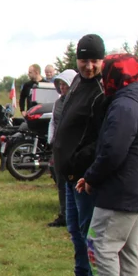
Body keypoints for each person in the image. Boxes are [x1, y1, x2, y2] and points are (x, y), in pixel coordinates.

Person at [76, 55, 138, 276]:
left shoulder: (122, 107)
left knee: (100, 244)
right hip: (137, 190)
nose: (102, 78)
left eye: (106, 74)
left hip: (121, 191)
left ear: (115, 77)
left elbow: (112, 152)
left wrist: (91, 177)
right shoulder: (135, 103)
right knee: (127, 249)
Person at [52, 34, 106, 276]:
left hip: (85, 176)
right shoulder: (76, 83)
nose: (90, 66)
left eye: (95, 60)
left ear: (102, 60)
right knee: (74, 229)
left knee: (89, 231)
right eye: (85, 60)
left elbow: (100, 138)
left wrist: (78, 161)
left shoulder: (102, 90)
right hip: (68, 173)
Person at [46, 69, 77, 227]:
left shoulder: (77, 101)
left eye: (65, 84)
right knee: (60, 183)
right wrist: (51, 140)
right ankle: (64, 214)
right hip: (58, 149)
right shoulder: (59, 102)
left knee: (73, 183)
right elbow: (53, 122)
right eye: (60, 84)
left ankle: (74, 215)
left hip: (73, 149)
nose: (62, 87)